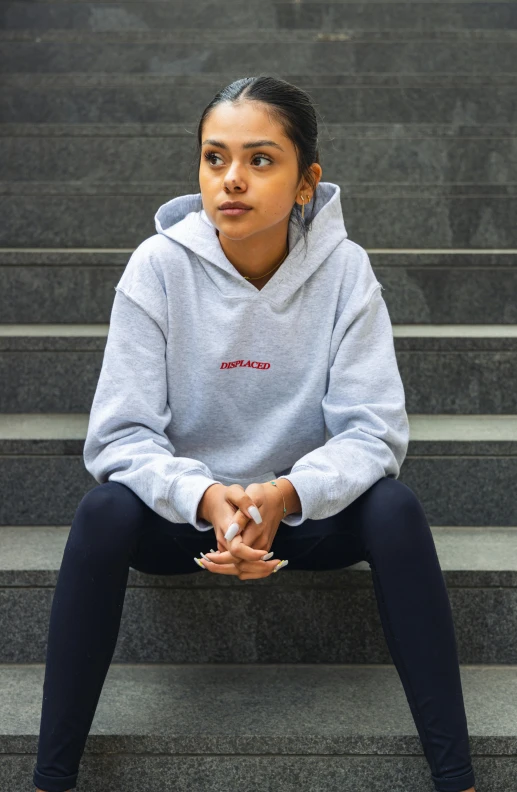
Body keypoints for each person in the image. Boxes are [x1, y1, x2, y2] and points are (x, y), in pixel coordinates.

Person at [33, 75, 476, 792]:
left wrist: (285, 493)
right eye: (214, 159)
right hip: (186, 523)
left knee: (395, 509)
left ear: (307, 182)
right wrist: (206, 497)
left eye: (260, 160)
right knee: (103, 510)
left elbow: (373, 432)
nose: (231, 180)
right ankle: (51, 779)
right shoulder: (157, 268)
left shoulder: (345, 271)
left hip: (304, 520)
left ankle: (456, 778)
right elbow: (120, 436)